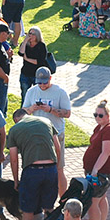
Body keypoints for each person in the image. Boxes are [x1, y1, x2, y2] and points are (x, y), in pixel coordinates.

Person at [7, 109, 61, 220]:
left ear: (16, 120)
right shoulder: (46, 121)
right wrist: (55, 168)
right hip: (50, 169)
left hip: (32, 171)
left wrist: (16, 181)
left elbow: (13, 159)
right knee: (49, 207)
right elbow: (57, 147)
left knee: (28, 209)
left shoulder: (15, 129)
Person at [23, 67, 72, 195]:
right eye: (39, 82)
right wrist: (32, 108)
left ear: (50, 78)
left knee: (59, 169)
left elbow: (67, 113)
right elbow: (23, 112)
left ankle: (63, 200)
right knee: (38, 169)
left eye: (45, 82)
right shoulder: (31, 92)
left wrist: (51, 110)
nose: (42, 85)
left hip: (55, 135)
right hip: (37, 137)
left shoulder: (60, 92)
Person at [82, 100, 110, 220]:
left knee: (92, 203)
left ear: (108, 116)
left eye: (101, 115)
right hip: (96, 171)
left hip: (102, 173)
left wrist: (95, 171)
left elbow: (105, 153)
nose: (97, 117)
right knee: (101, 198)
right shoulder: (100, 127)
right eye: (95, 114)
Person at [19, 26, 48, 106]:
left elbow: (40, 62)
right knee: (24, 95)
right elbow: (21, 53)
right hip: (25, 74)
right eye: (29, 33)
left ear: (37, 36)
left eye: (33, 34)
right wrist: (25, 41)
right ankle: (23, 111)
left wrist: (27, 59)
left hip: (36, 75)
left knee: (37, 95)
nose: (30, 35)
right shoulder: (26, 45)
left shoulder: (41, 46)